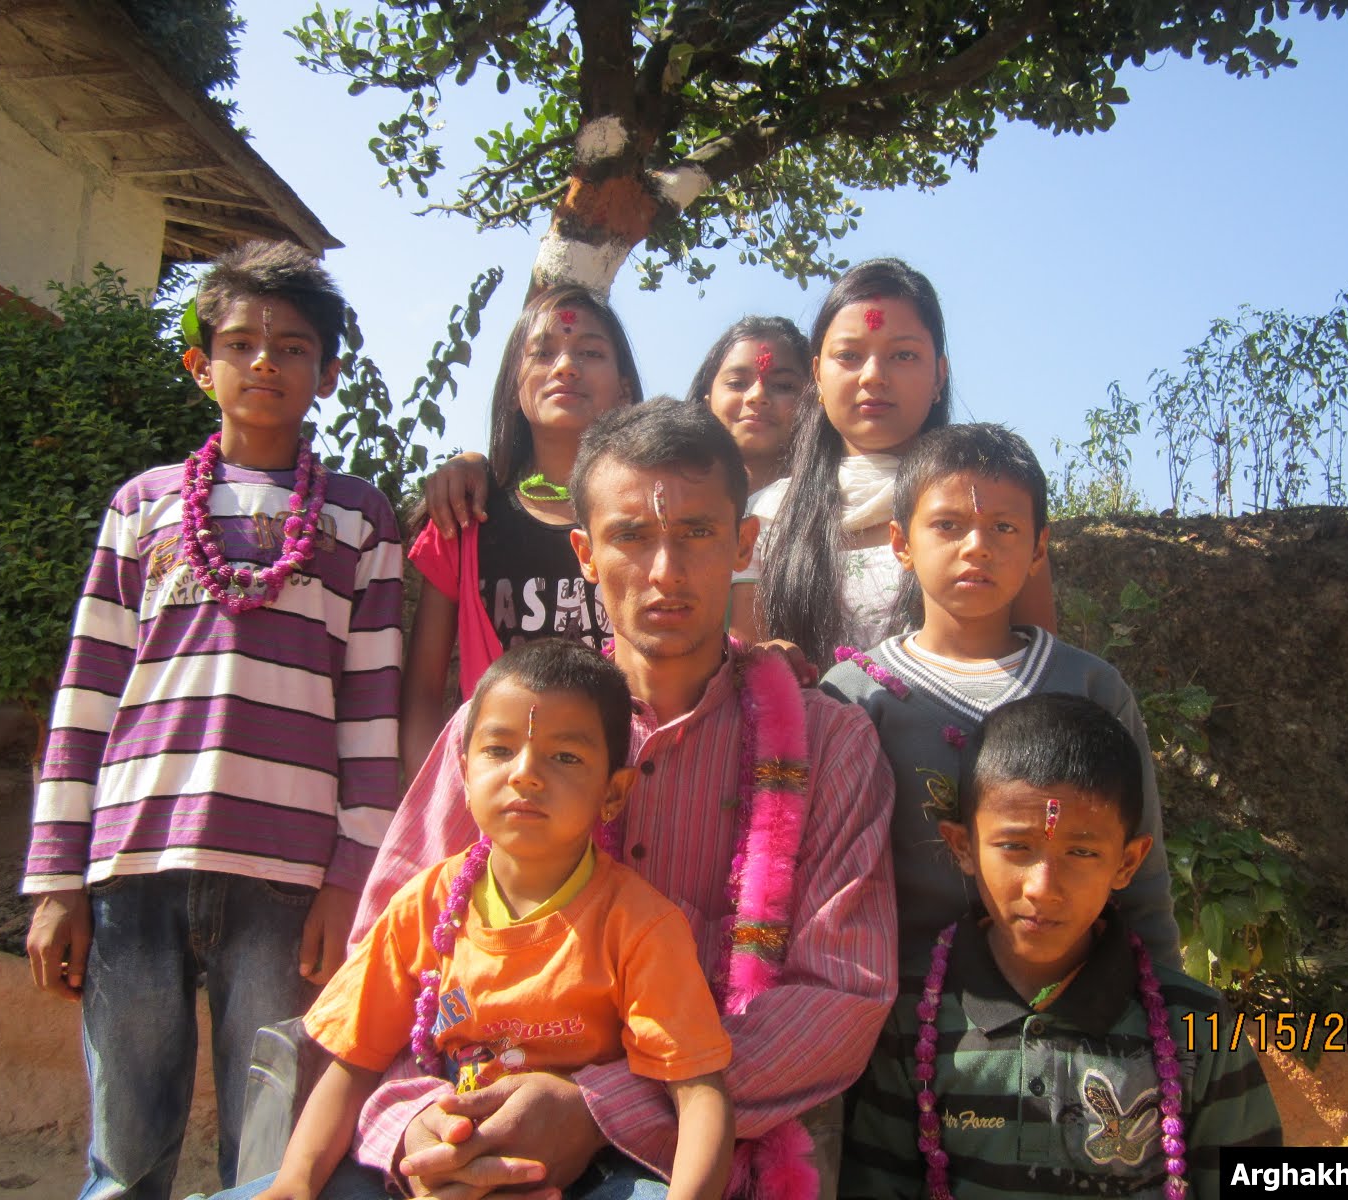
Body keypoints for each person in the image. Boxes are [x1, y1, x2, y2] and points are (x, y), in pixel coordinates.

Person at [340, 400, 897, 1200]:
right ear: (586, 554)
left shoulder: (828, 745)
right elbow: (386, 951)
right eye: (632, 535)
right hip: (468, 1124)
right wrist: (423, 1122)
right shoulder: (501, 735)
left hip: (693, 1156)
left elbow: (840, 998)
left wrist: (598, 1109)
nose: (666, 572)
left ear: (745, 544)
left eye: (697, 532)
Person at [22, 239, 403, 1199]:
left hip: (287, 880)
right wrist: (57, 879)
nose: (265, 362)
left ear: (329, 373)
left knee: (270, 1156)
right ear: (201, 365)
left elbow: (372, 711)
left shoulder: (360, 521)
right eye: (241, 344)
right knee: (125, 1156)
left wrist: (349, 878)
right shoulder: (141, 507)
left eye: (293, 347)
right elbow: (85, 694)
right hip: (132, 865)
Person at [245, 639, 733, 1200]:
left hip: (577, 1173)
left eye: (565, 757)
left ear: (614, 793)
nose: (525, 774)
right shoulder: (422, 907)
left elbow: (699, 1094)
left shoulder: (640, 925)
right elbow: (353, 1064)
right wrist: (296, 1181)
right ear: (464, 770)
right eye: (499, 750)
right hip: (440, 1154)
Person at [840, 693, 1282, 1198]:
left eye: (1081, 851)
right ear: (963, 847)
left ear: (1128, 862)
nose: (1042, 888)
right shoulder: (910, 1018)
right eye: (1015, 846)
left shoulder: (1196, 1025)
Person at [819, 423, 1178, 967]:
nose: (977, 547)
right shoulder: (854, 695)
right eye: (947, 525)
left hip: (1072, 993)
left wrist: (1167, 994)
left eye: (1004, 527)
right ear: (901, 543)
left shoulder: (1090, 687)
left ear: (1038, 548)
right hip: (902, 996)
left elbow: (1142, 875)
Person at [745, 258, 1057, 657]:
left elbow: (1042, 668)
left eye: (903, 355)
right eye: (849, 355)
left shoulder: (996, 505)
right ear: (818, 375)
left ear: (939, 376)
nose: (873, 375)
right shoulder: (767, 517)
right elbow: (748, 670)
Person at [399, 286, 641, 778]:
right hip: (499, 801)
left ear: (624, 389)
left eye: (591, 352)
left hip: (626, 790)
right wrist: (448, 799)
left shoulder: (650, 521)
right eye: (543, 353)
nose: (566, 366)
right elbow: (422, 691)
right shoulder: (463, 519)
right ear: (513, 386)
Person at [683, 316, 812, 496]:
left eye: (783, 386)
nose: (757, 395)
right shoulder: (671, 499)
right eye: (737, 383)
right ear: (708, 402)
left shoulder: (846, 497)